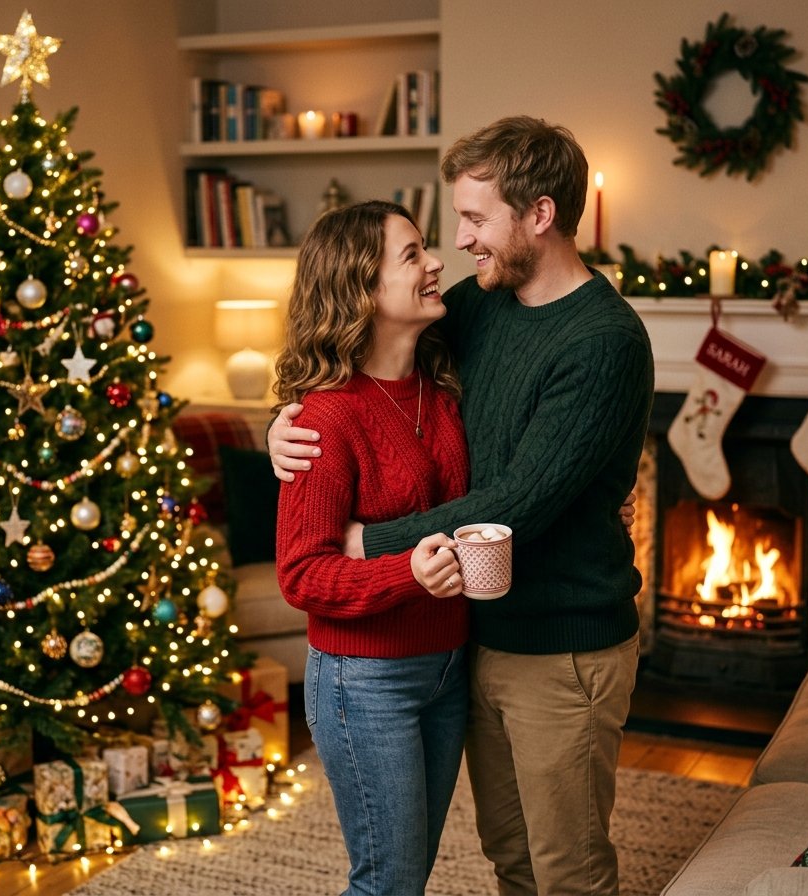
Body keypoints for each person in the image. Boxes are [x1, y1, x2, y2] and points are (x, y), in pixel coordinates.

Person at [269, 116, 655, 895]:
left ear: (539, 216)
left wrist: (369, 542)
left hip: (562, 649)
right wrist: (282, 423)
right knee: (508, 859)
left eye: (477, 219)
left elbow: (515, 502)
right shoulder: (480, 307)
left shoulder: (603, 341)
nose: (460, 244)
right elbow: (359, 360)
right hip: (474, 641)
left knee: (568, 873)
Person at [273, 199, 473, 896]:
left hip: (448, 668)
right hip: (366, 682)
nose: (437, 262)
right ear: (362, 286)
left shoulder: (441, 384)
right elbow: (301, 575)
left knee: (408, 876)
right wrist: (408, 572)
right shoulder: (325, 416)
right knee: (386, 883)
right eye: (413, 255)